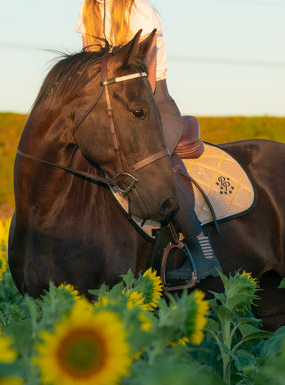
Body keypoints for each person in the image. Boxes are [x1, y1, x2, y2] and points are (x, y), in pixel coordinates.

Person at [76, 0, 220, 283]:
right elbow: (87, 67)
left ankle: (201, 248)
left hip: (152, 102)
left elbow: (147, 83)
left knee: (150, 164)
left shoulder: (140, 11)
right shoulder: (88, 9)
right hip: (110, 103)